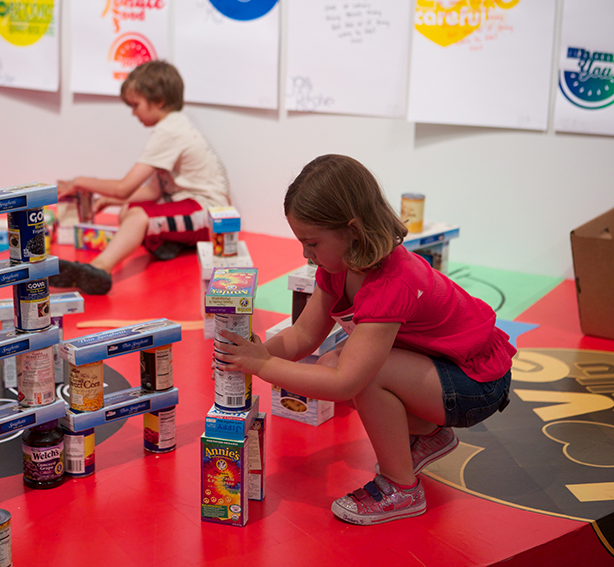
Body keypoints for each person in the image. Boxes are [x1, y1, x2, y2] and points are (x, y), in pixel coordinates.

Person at [214, 155, 515, 526]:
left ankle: (402, 488)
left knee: (363, 375)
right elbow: (303, 335)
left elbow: (346, 384)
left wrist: (261, 365)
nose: (306, 253)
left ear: (352, 230)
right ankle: (429, 434)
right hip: (443, 367)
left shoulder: (392, 283)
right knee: (331, 362)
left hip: (477, 381)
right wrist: (253, 353)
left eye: (312, 242)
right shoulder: (337, 267)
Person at [51, 60, 231, 295]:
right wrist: (112, 201)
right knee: (128, 210)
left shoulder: (169, 132)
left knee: (137, 216)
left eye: (136, 105)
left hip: (211, 215)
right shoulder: (172, 126)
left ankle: (99, 268)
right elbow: (153, 191)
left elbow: (124, 187)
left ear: (159, 101)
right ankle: (170, 244)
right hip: (191, 206)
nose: (133, 113)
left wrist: (78, 182)